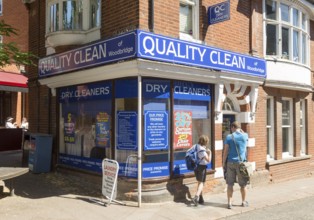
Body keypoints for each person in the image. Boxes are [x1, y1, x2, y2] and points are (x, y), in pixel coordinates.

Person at [222, 121, 249, 209]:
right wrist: (240, 130)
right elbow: (245, 143)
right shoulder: (245, 136)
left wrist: (223, 163)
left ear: (233, 127)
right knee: (243, 184)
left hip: (230, 163)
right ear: (239, 128)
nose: (231, 130)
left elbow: (225, 151)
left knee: (230, 184)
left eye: (231, 128)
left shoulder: (229, 137)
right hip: (241, 164)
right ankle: (244, 202)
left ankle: (229, 203)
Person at [191, 134, 212, 206]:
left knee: (199, 182)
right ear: (205, 141)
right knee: (202, 183)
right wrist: (210, 153)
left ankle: (200, 198)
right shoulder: (202, 150)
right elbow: (208, 160)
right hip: (201, 167)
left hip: (196, 166)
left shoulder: (196, 146)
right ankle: (196, 197)